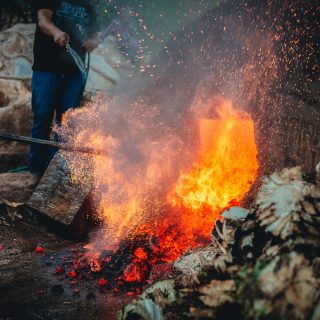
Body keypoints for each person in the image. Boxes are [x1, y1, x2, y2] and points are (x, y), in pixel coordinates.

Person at [29, 0, 102, 187]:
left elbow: (96, 32)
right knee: (42, 119)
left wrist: (94, 41)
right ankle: (36, 171)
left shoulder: (88, 6)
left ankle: (55, 172)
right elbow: (43, 19)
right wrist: (56, 32)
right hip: (46, 69)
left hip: (74, 73)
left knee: (66, 123)